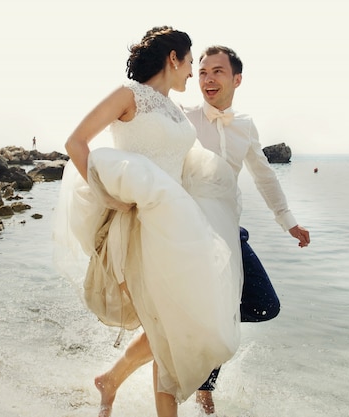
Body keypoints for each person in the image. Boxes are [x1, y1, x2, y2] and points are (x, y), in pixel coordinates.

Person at [92, 45, 310, 415]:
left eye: (217, 72)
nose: (207, 79)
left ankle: (171, 376)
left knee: (262, 305)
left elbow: (264, 175)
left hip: (228, 229)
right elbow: (145, 144)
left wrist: (287, 220)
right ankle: (197, 384)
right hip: (184, 234)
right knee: (184, 317)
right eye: (203, 71)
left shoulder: (245, 125)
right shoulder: (180, 116)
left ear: (237, 79)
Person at [54, 27, 243, 417]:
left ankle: (110, 380)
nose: (193, 73)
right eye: (191, 63)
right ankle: (119, 385)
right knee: (166, 328)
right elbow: (76, 142)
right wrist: (105, 194)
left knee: (176, 325)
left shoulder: (175, 109)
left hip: (179, 227)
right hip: (141, 227)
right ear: (173, 58)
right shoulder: (128, 95)